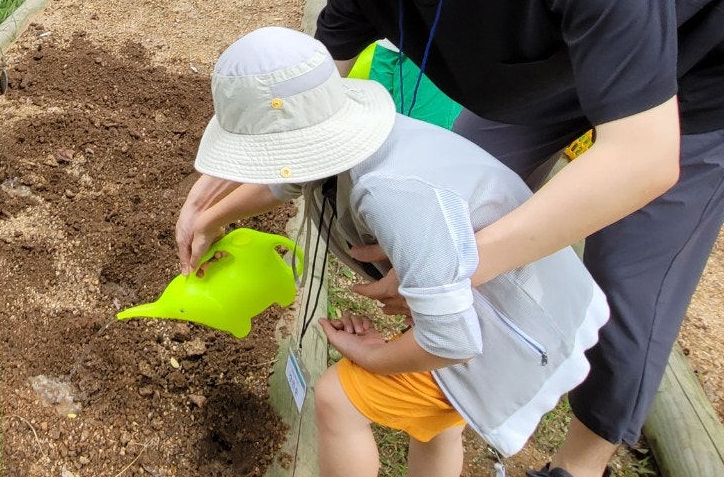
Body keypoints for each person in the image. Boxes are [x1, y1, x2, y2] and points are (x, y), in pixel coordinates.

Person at [258, 0, 724, 477]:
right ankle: (443, 371)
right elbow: (301, 104)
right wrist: (216, 192)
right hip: (551, 64)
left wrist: (454, 269)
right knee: (453, 195)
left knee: (628, 278)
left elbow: (644, 159)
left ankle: (581, 463)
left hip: (696, 70)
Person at [176, 28, 607, 476]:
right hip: (513, 302)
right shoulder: (347, 142)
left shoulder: (390, 194)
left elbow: (452, 341)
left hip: (511, 330)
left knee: (337, 399)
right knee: (435, 425)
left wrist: (373, 355)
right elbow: (281, 181)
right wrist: (208, 219)